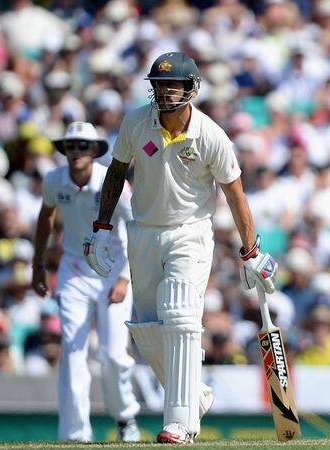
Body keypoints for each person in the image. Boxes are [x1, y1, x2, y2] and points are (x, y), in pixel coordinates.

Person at [84, 51, 277, 444]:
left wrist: (251, 249)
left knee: (180, 315)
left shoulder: (210, 135)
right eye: (159, 83)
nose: (165, 90)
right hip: (143, 232)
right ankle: (195, 395)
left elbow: (235, 195)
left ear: (191, 88)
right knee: (146, 329)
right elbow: (117, 173)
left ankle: (182, 423)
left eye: (173, 84)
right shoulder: (137, 122)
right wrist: (102, 227)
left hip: (190, 231)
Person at [32, 121, 140, 442]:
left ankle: (125, 418)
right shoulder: (54, 180)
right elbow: (45, 217)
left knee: (112, 354)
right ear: (64, 149)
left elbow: (135, 229)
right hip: (74, 271)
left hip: (112, 269)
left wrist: (124, 277)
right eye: (71, 145)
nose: (76, 152)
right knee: (73, 351)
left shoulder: (112, 181)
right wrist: (38, 263)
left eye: (83, 146)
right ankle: (76, 435)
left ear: (94, 151)